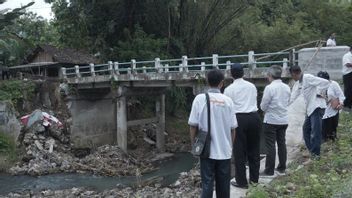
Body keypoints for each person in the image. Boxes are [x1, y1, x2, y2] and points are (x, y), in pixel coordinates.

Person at [188, 69, 237, 198]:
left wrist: (194, 146)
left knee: (207, 184)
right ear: (222, 83)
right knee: (224, 185)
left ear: (207, 82)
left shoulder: (199, 99)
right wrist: (230, 147)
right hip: (225, 151)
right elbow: (233, 128)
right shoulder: (228, 101)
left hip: (206, 151)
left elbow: (193, 126)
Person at [224, 63, 261, 189]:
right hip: (254, 117)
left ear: (231, 74)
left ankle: (241, 182)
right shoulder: (251, 86)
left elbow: (227, 108)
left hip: (239, 118)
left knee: (239, 152)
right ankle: (254, 181)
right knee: (254, 150)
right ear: (243, 73)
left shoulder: (229, 89)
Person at [290, 66, 330, 158]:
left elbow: (326, 82)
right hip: (310, 109)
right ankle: (313, 152)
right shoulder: (299, 82)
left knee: (316, 132)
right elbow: (294, 96)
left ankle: (316, 155)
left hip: (316, 107)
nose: (293, 78)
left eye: (292, 76)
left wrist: (320, 92)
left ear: (294, 74)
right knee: (306, 130)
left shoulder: (307, 77)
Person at [260, 65, 291, 176]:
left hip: (271, 120)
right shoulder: (286, 87)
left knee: (270, 145)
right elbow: (288, 101)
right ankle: (282, 167)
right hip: (283, 119)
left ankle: (269, 170)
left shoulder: (269, 88)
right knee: (282, 143)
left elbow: (263, 106)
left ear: (270, 75)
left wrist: (266, 109)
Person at [317, 71, 345, 141]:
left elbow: (341, 95)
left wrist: (341, 103)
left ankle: (333, 147)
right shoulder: (317, 85)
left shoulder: (333, 84)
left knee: (332, 134)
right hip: (322, 113)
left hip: (333, 111)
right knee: (323, 135)